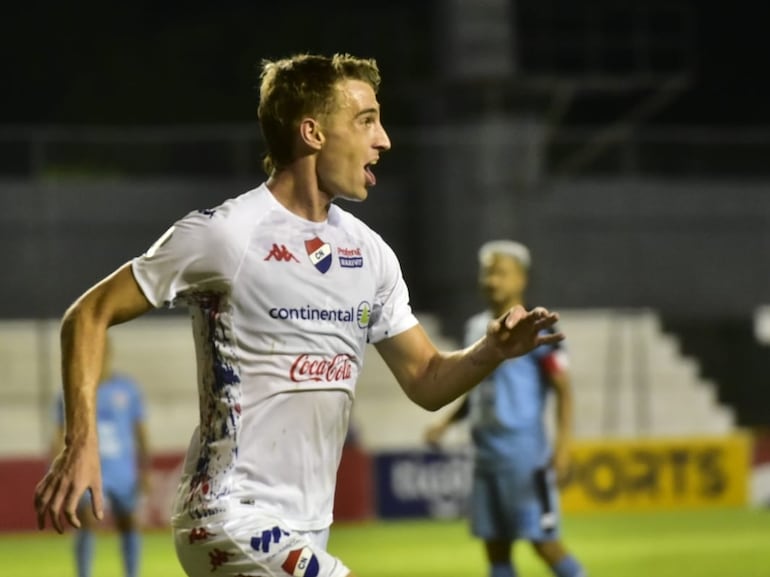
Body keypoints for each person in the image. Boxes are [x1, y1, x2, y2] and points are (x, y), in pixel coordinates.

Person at [34, 53, 563, 577]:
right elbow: (88, 314)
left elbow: (426, 378)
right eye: (366, 121)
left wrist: (492, 351)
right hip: (227, 515)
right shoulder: (227, 234)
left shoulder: (369, 253)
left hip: (307, 527)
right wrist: (81, 442)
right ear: (312, 132)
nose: (383, 140)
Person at [425, 240, 586, 577]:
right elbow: (472, 389)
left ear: (521, 279)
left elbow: (564, 390)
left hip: (525, 458)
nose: (491, 280)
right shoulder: (475, 328)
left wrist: (563, 448)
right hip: (485, 456)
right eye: (487, 273)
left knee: (545, 543)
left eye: (500, 273)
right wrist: (446, 423)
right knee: (496, 549)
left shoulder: (538, 327)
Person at [51, 338, 149, 577]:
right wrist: (56, 470)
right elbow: (60, 433)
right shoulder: (72, 391)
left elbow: (141, 432)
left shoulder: (127, 389)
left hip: (122, 470)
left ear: (109, 354)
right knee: (86, 519)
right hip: (87, 469)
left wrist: (146, 469)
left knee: (129, 522)